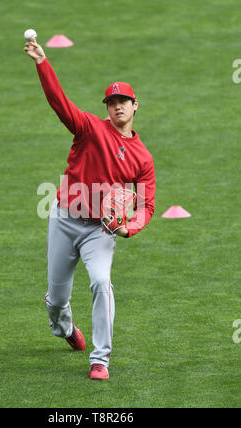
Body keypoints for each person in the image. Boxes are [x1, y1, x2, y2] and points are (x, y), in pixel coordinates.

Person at [24, 40, 156, 380]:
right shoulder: (89, 128)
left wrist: (129, 228)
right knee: (56, 300)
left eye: (123, 101)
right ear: (107, 108)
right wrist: (42, 62)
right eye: (111, 103)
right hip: (65, 220)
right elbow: (59, 103)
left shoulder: (143, 157)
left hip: (101, 230)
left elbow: (146, 204)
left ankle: (100, 360)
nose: (117, 107)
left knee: (101, 282)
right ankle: (66, 329)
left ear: (135, 105)